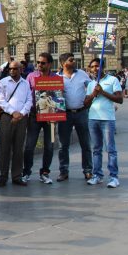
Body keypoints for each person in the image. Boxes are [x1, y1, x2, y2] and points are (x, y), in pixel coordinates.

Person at [84, 58, 123, 188]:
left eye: (98, 66)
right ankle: (97, 175)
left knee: (110, 149)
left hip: (107, 119)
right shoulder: (91, 84)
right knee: (96, 149)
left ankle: (113, 176)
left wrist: (103, 92)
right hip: (93, 118)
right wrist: (93, 94)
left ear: (103, 67)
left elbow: (119, 99)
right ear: (90, 69)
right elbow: (85, 103)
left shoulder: (113, 80)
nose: (95, 69)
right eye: (93, 67)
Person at [23, 52, 59, 185]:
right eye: (38, 62)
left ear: (49, 64)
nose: (39, 65)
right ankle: (26, 171)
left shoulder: (56, 77)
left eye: (42, 63)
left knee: (49, 146)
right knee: (29, 146)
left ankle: (45, 172)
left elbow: (59, 97)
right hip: (33, 115)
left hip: (50, 116)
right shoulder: (31, 76)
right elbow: (25, 94)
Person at [56, 53, 93, 182]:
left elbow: (91, 87)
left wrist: (92, 96)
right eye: (71, 60)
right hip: (65, 114)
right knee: (63, 145)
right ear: (63, 63)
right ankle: (63, 171)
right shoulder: (56, 78)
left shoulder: (82, 74)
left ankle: (88, 170)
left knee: (85, 143)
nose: (74, 61)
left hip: (81, 112)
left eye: (74, 59)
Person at [0, 61, 32, 186]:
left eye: (15, 69)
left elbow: (29, 100)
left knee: (18, 148)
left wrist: (21, 113)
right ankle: (3, 176)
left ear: (20, 70)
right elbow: (0, 100)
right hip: (7, 117)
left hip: (22, 118)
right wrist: (13, 112)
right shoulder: (3, 82)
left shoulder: (26, 83)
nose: (12, 71)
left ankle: (17, 176)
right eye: (10, 69)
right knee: (5, 148)